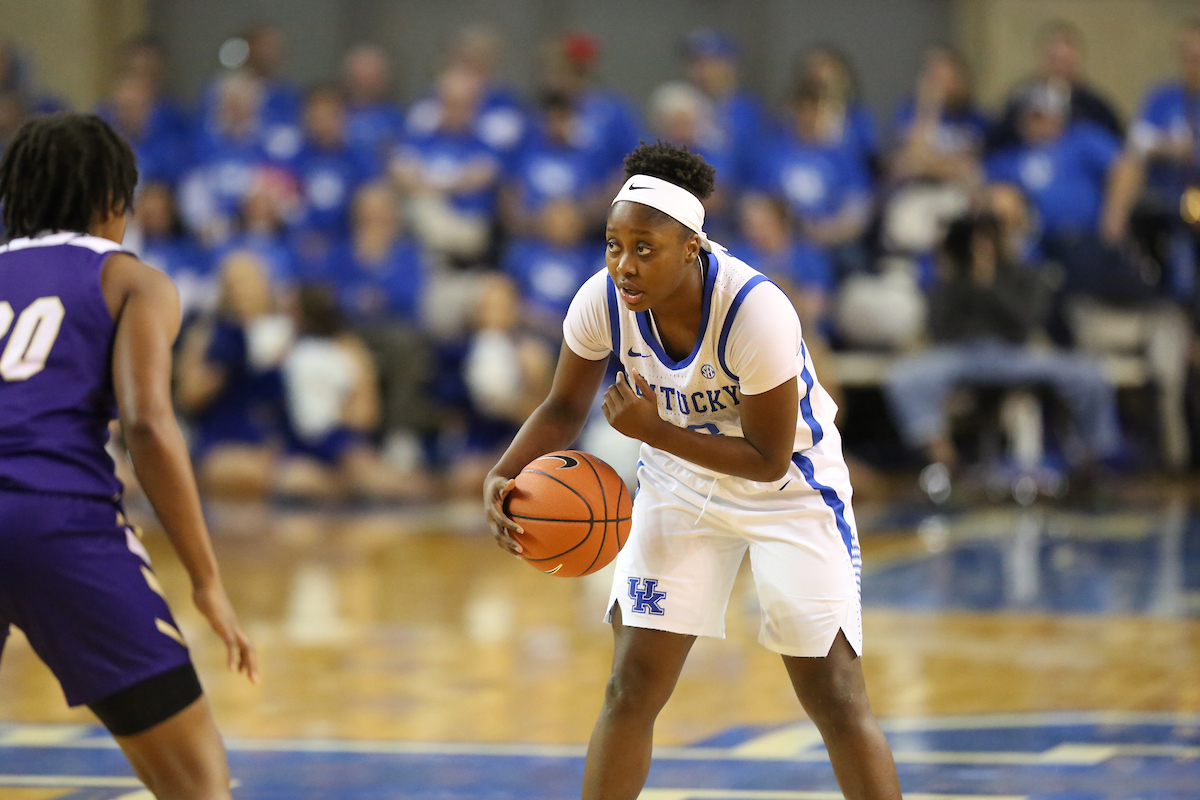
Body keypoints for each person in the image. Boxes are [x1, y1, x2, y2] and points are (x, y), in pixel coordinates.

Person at [483, 141, 901, 800]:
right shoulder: (601, 302)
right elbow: (563, 405)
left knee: (835, 694)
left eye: (643, 247)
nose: (624, 263)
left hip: (792, 488)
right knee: (631, 685)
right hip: (682, 485)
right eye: (613, 244)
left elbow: (766, 462)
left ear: (691, 248)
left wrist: (655, 431)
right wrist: (504, 473)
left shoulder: (756, 311)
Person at [0, 114, 256, 798]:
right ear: (115, 201)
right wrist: (205, 578)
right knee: (199, 785)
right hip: (57, 520)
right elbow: (146, 423)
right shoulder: (130, 280)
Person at [989, 20, 1123, 152]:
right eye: (1054, 60)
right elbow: (996, 144)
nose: (1060, 69)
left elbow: (1119, 150)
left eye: (1065, 61)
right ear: (1042, 61)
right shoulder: (1020, 101)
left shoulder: (1095, 109)